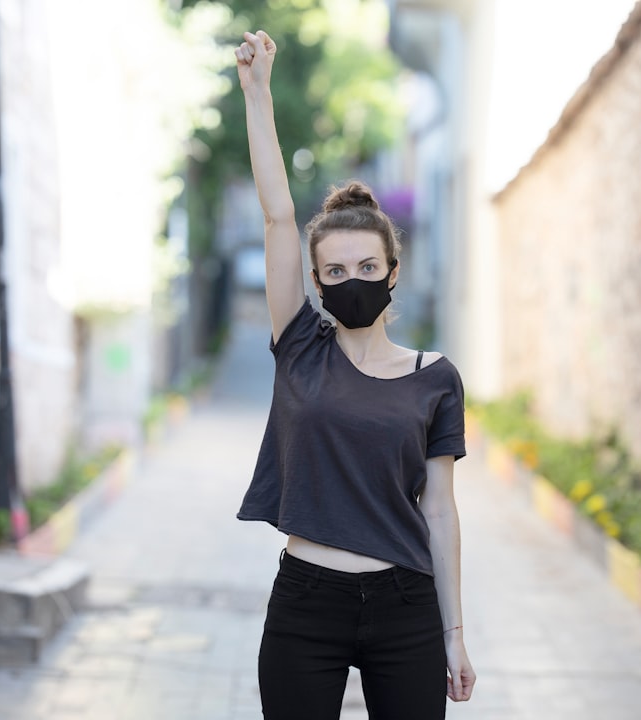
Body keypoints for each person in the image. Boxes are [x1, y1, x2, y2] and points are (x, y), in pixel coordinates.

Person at [233, 30, 476, 719]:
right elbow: (279, 214)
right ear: (316, 280)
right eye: (335, 272)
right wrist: (258, 94)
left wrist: (454, 636)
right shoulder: (301, 345)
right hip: (307, 602)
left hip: (407, 608)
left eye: (367, 268)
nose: (353, 281)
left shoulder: (436, 379)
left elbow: (438, 509)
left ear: (393, 274)